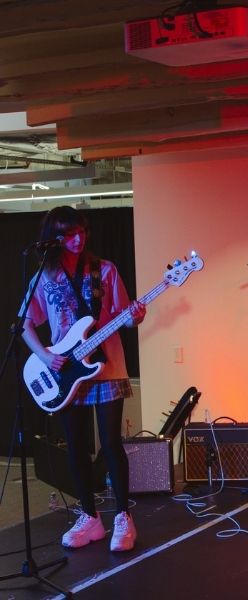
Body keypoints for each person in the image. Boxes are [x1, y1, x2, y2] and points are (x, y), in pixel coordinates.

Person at [20, 206, 146, 552]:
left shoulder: (103, 270)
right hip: (65, 373)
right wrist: (46, 356)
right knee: (75, 446)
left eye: (82, 232)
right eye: (69, 234)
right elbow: (25, 324)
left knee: (109, 443)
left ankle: (123, 517)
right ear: (54, 237)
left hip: (106, 368)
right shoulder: (44, 277)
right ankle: (90, 517)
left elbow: (125, 317)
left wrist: (136, 315)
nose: (78, 239)